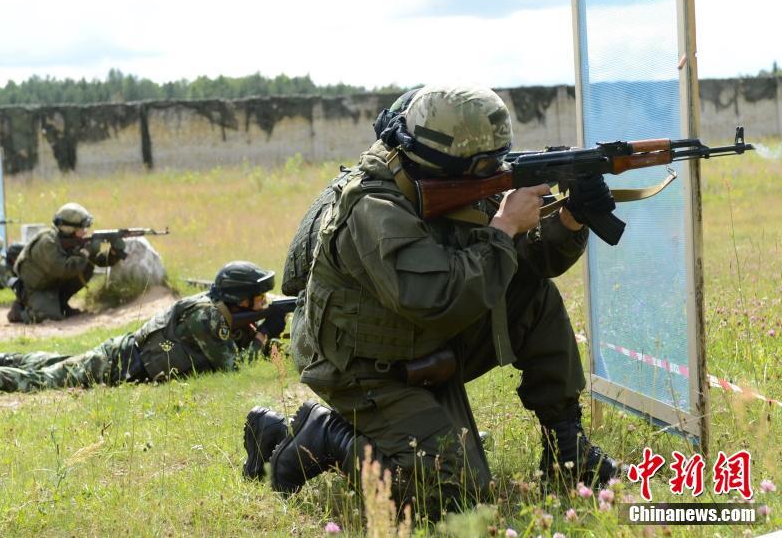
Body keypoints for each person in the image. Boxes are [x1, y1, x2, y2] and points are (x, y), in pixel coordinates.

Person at [242, 85, 621, 518]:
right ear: (446, 160)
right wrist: (502, 229)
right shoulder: (374, 207)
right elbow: (435, 298)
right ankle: (324, 435)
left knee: (532, 294)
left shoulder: (451, 176)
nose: (492, 173)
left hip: (422, 342)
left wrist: (570, 219)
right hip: (363, 366)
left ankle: (565, 448)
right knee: (451, 495)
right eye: (483, 166)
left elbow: (530, 259)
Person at [0, 261, 284, 396]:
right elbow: (231, 365)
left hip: (124, 355)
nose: (264, 305)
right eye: (260, 300)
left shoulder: (216, 312)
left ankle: (0, 357)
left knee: (61, 363)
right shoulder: (209, 318)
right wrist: (264, 341)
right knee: (40, 382)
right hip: (120, 365)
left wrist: (260, 330)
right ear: (241, 298)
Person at [7, 202, 126, 323]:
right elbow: (64, 269)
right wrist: (87, 252)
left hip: (52, 283)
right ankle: (19, 311)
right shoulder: (47, 242)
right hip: (35, 288)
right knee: (46, 316)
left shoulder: (73, 240)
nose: (85, 232)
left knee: (86, 267)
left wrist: (113, 252)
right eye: (82, 228)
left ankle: (61, 304)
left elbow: (99, 261)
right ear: (69, 229)